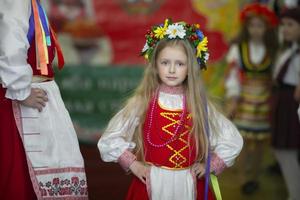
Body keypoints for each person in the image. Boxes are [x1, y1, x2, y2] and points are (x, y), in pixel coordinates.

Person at [98, 19, 243, 200]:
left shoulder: (199, 105)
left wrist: (211, 164)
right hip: (152, 183)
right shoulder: (142, 102)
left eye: (180, 64)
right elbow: (110, 138)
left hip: (189, 185)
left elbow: (231, 139)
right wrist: (134, 165)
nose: (172, 70)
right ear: (155, 66)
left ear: (190, 68)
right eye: (165, 62)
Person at [0, 0, 88, 199]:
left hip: (37, 92)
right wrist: (21, 91)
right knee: (20, 176)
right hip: (20, 101)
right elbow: (10, 43)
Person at [224, 3, 278, 195]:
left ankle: (254, 177)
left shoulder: (273, 51)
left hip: (265, 103)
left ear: (267, 28)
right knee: (243, 142)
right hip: (244, 101)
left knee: (261, 143)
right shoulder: (238, 49)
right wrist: (232, 99)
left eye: (260, 26)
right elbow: (232, 76)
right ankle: (244, 179)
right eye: (252, 25)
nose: (255, 30)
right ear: (246, 27)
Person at [271, 7, 300, 200]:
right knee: (283, 150)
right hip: (284, 100)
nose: (285, 29)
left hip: (291, 104)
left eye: (290, 25)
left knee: (286, 150)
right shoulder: (291, 50)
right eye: (283, 25)